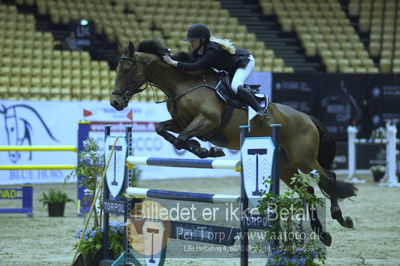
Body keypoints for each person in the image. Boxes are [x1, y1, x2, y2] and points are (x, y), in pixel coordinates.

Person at [163, 23, 269, 118]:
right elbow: (189, 58)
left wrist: (173, 62)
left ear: (202, 39)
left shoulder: (211, 50)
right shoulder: (199, 50)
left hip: (244, 62)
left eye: (193, 39)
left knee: (235, 86)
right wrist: (172, 57)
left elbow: (195, 66)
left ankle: (259, 110)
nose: (190, 42)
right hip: (231, 67)